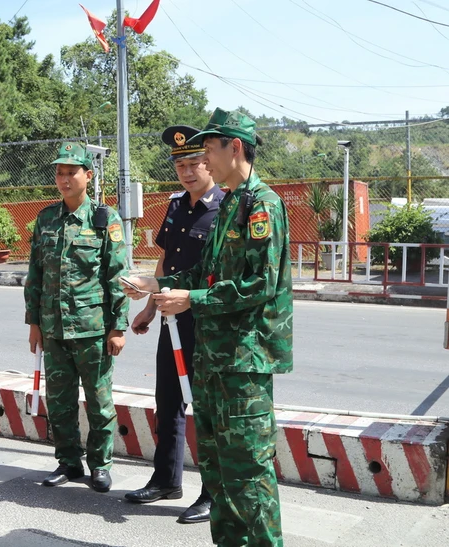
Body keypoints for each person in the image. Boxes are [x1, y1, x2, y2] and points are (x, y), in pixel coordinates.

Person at [122, 108, 293, 547]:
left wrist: (190, 300)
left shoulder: (262, 205)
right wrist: (155, 283)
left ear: (234, 147)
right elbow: (205, 274)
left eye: (210, 150)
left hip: (243, 359)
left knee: (249, 472)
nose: (204, 161)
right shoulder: (233, 202)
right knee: (218, 468)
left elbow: (259, 285)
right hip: (215, 358)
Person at [124, 125, 222, 525]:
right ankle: (166, 480)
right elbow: (165, 262)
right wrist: (149, 309)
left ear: (210, 163)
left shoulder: (225, 207)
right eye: (180, 164)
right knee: (169, 401)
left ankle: (212, 492)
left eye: (194, 162)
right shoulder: (177, 205)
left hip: (208, 321)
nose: (186, 171)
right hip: (171, 319)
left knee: (208, 408)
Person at [24, 142, 129, 493]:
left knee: (99, 402)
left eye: (72, 172)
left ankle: (100, 465)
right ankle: (68, 462)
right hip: (54, 330)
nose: (65, 178)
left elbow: (117, 276)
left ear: (88, 175)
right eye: (60, 172)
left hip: (93, 330)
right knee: (60, 403)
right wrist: (34, 324)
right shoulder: (46, 218)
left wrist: (118, 327)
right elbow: (35, 274)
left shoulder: (105, 219)